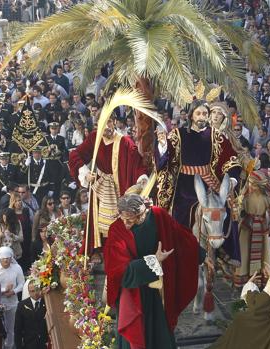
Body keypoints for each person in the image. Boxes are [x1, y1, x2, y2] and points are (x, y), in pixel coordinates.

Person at [104, 194, 203, 349]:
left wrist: (200, 255)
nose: (126, 224)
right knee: (136, 336)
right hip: (133, 294)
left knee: (159, 333)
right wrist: (153, 261)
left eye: (130, 219)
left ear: (143, 213)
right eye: (123, 218)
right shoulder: (117, 230)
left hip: (158, 292)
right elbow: (120, 272)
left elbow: (180, 237)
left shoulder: (158, 216)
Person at [156, 99, 241, 228]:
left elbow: (229, 158)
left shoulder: (215, 135)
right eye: (198, 113)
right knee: (180, 215)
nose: (202, 117)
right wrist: (162, 146)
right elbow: (168, 156)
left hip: (209, 182)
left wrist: (232, 179)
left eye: (205, 114)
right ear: (191, 115)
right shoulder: (178, 134)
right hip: (184, 184)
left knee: (224, 211)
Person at [68, 113, 147, 250]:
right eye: (103, 123)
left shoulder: (125, 141)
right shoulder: (94, 138)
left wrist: (141, 179)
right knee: (98, 223)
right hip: (100, 188)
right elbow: (75, 155)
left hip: (119, 188)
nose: (106, 126)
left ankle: (120, 251)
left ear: (115, 122)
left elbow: (137, 163)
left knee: (120, 221)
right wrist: (85, 173)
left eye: (109, 122)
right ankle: (99, 251)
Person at [235, 170, 270, 287]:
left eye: (253, 184)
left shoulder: (268, 196)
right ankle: (243, 279)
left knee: (262, 256)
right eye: (249, 183)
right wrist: (238, 209)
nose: (250, 186)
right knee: (244, 253)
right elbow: (237, 208)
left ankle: (260, 278)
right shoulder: (245, 194)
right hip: (246, 228)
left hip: (260, 228)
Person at [0, 247, 24, 349]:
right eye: (4, 259)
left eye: (8, 258)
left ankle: (10, 346)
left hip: (12, 303)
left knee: (11, 327)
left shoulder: (17, 268)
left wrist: (13, 291)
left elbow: (21, 283)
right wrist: (4, 290)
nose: (6, 261)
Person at [14, 280, 47, 349]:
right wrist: (18, 346)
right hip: (29, 344)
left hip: (44, 343)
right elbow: (17, 329)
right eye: (32, 291)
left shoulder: (47, 303)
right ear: (29, 292)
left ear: (40, 289)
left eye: (37, 290)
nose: (35, 293)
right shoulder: (22, 305)